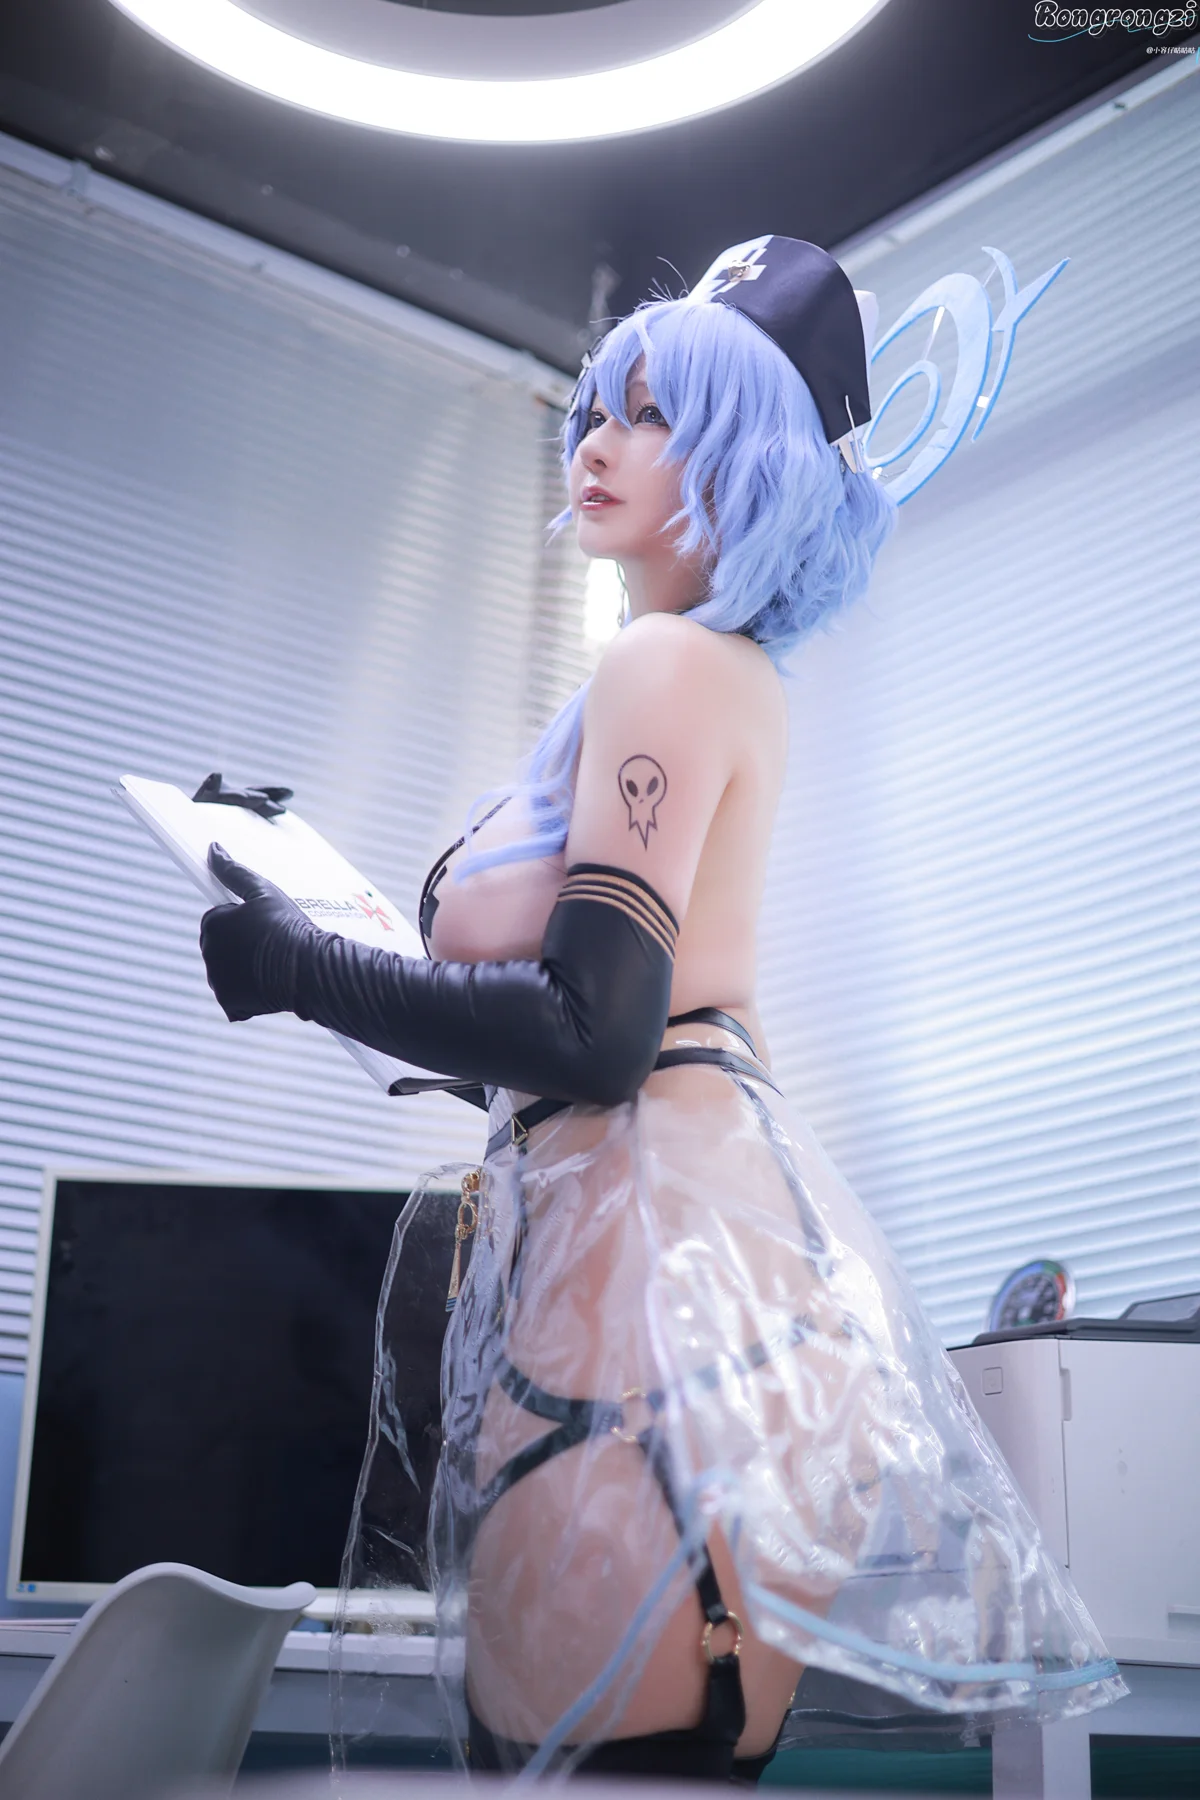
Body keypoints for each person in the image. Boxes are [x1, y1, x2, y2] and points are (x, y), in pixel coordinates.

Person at [198, 238, 1122, 1782]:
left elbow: (597, 1027)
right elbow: (573, 1024)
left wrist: (305, 972)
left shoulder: (669, 665)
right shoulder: (669, 679)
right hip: (648, 1275)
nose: (601, 442)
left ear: (752, 457)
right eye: (600, 410)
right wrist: (350, 975)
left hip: (652, 1307)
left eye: (661, 415)